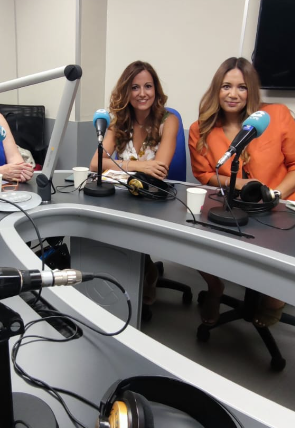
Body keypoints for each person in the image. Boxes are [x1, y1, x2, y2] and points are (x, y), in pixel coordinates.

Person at [189, 56, 295, 327]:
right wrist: (235, 184)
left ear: (252, 91)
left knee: (277, 255)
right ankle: (215, 287)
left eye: (242, 87)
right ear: (217, 89)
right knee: (192, 236)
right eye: (226, 86)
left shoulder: (277, 115)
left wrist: (274, 195)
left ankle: (274, 298)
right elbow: (203, 174)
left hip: (280, 206)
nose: (233, 94)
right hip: (232, 205)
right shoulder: (200, 129)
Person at [90, 60, 179, 305]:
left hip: (153, 197)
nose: (142, 93)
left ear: (156, 90)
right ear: (126, 92)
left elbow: (159, 169)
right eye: (135, 87)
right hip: (124, 195)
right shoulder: (117, 121)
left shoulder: (169, 120)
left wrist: (120, 165)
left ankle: (147, 270)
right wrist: (139, 166)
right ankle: (139, 269)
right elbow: (96, 163)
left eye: (148, 86)